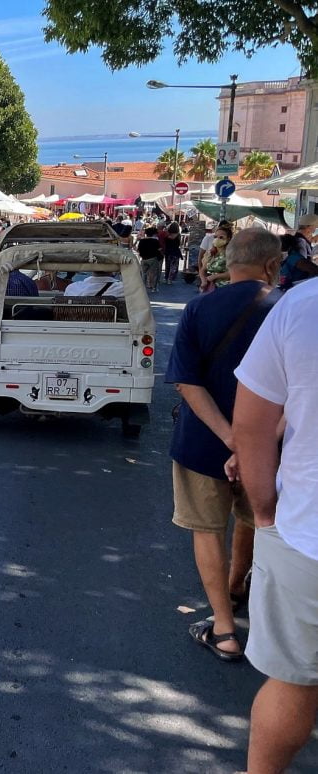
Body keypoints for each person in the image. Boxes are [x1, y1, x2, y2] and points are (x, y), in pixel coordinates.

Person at [167, 228, 281, 668]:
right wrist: (251, 443)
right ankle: (261, 614)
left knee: (206, 529)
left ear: (227, 262)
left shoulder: (199, 308)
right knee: (263, 522)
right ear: (272, 265)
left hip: (201, 442)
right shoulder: (290, 312)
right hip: (275, 447)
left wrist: (230, 437)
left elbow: (186, 381)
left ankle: (224, 629)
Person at [232, 235, 318, 773]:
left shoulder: (303, 305)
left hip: (307, 533)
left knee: (292, 682)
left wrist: (264, 512)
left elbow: (252, 425)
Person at [201, 225, 233, 292]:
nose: (217, 239)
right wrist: (204, 281)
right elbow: (203, 270)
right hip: (209, 288)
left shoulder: (231, 254)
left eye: (221, 237)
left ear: (228, 239)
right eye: (215, 237)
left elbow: (232, 272)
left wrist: (215, 276)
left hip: (225, 289)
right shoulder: (210, 254)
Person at [136, 226, 163, 293]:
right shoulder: (155, 241)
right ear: (153, 234)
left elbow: (138, 250)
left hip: (144, 258)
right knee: (154, 274)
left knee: (143, 274)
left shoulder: (142, 240)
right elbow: (159, 249)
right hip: (153, 258)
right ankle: (154, 287)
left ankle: (142, 287)